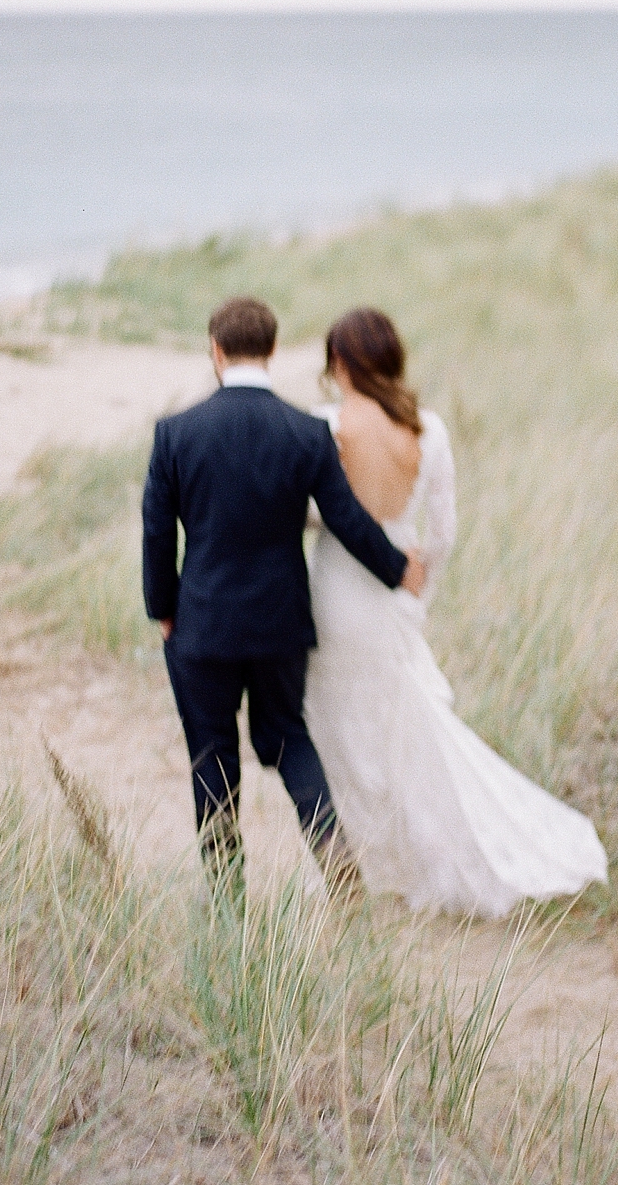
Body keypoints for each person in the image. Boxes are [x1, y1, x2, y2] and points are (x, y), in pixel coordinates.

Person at [304, 307, 607, 918]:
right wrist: (417, 595)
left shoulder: (323, 426)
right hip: (390, 594)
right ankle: (413, 855)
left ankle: (368, 860)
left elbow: (310, 512)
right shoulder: (430, 431)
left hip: (335, 587)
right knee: (398, 720)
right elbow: (443, 532)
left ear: (341, 363)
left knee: (335, 725)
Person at [142, 295, 426, 884]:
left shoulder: (175, 434)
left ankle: (228, 900)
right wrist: (397, 569)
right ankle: (335, 856)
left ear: (216, 351)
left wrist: (163, 610)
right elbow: (346, 518)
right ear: (271, 351)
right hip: (280, 623)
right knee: (289, 738)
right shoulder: (305, 432)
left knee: (211, 756)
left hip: (203, 624)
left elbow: (156, 531)